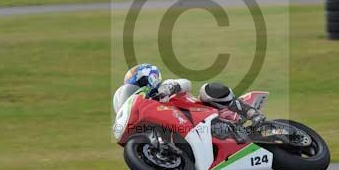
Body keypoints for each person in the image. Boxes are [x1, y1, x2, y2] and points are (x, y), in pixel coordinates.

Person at [112, 63, 266, 128]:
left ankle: (250, 112)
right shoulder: (147, 110)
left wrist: (169, 89)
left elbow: (186, 83)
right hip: (187, 129)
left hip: (204, 114)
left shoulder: (165, 87)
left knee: (207, 90)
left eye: (134, 88)